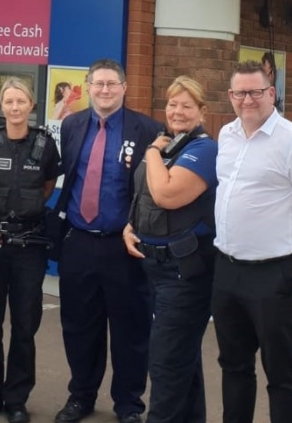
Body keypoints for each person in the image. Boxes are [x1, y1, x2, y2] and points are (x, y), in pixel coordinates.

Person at [212, 61, 292, 423]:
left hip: (273, 274)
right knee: (233, 366)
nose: (247, 100)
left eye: (255, 92)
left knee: (279, 371)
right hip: (228, 269)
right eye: (239, 92)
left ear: (271, 94)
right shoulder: (226, 134)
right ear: (230, 96)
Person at [52, 58, 164, 423]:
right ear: (87, 87)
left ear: (124, 87)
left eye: (111, 84)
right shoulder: (71, 125)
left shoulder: (147, 129)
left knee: (131, 330)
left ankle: (129, 404)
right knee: (79, 327)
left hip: (126, 247)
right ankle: (80, 396)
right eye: (98, 84)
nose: (104, 90)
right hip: (79, 242)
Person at [122, 75, 217, 423]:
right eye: (172, 104)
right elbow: (146, 197)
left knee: (165, 365)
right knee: (183, 362)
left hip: (185, 273)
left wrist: (150, 151)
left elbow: (166, 194)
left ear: (202, 111)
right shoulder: (171, 145)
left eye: (186, 105)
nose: (177, 111)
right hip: (155, 266)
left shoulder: (204, 150)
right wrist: (133, 225)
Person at [0, 78, 62, 423]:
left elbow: (48, 185)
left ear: (31, 105)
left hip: (29, 247)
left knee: (25, 326)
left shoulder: (44, 144)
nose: (14, 107)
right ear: (1, 105)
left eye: (20, 100)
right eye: (8, 101)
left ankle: (17, 399)